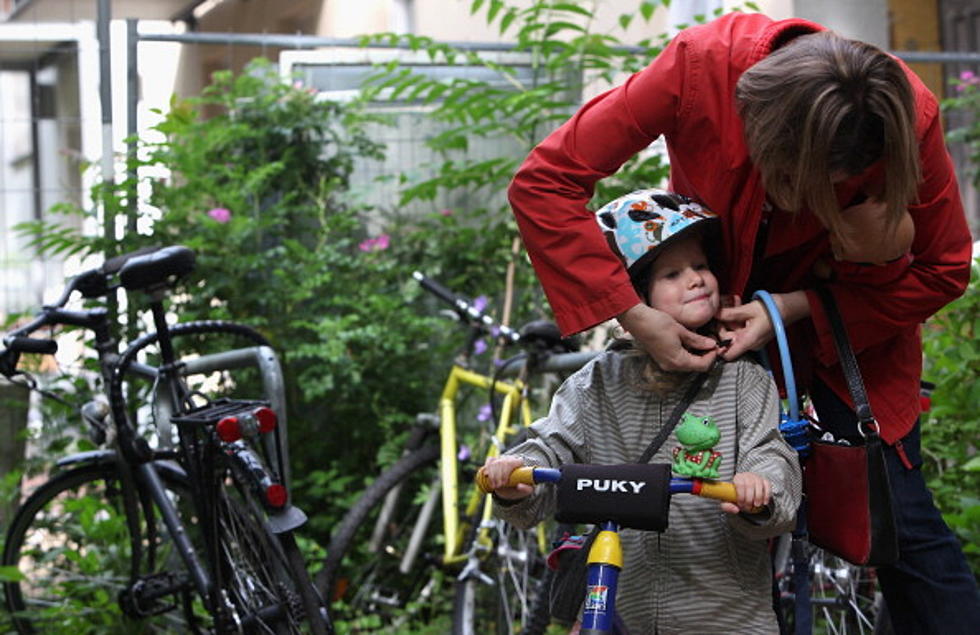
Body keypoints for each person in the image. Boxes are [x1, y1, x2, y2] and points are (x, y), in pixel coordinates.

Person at [506, 11, 979, 634]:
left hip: (848, 329)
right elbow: (545, 183)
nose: (796, 202)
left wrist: (795, 306)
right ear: (753, 120)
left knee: (899, 526)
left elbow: (944, 267)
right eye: (787, 181)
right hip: (704, 325)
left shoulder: (901, 117)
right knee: (691, 514)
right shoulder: (696, 68)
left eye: (827, 190)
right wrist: (635, 313)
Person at [483, 189, 803, 635]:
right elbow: (551, 446)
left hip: (726, 617)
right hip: (621, 609)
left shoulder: (741, 380)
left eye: (701, 266)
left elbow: (770, 453)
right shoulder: (596, 383)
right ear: (633, 300)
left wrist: (760, 485)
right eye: (672, 273)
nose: (695, 279)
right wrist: (518, 475)